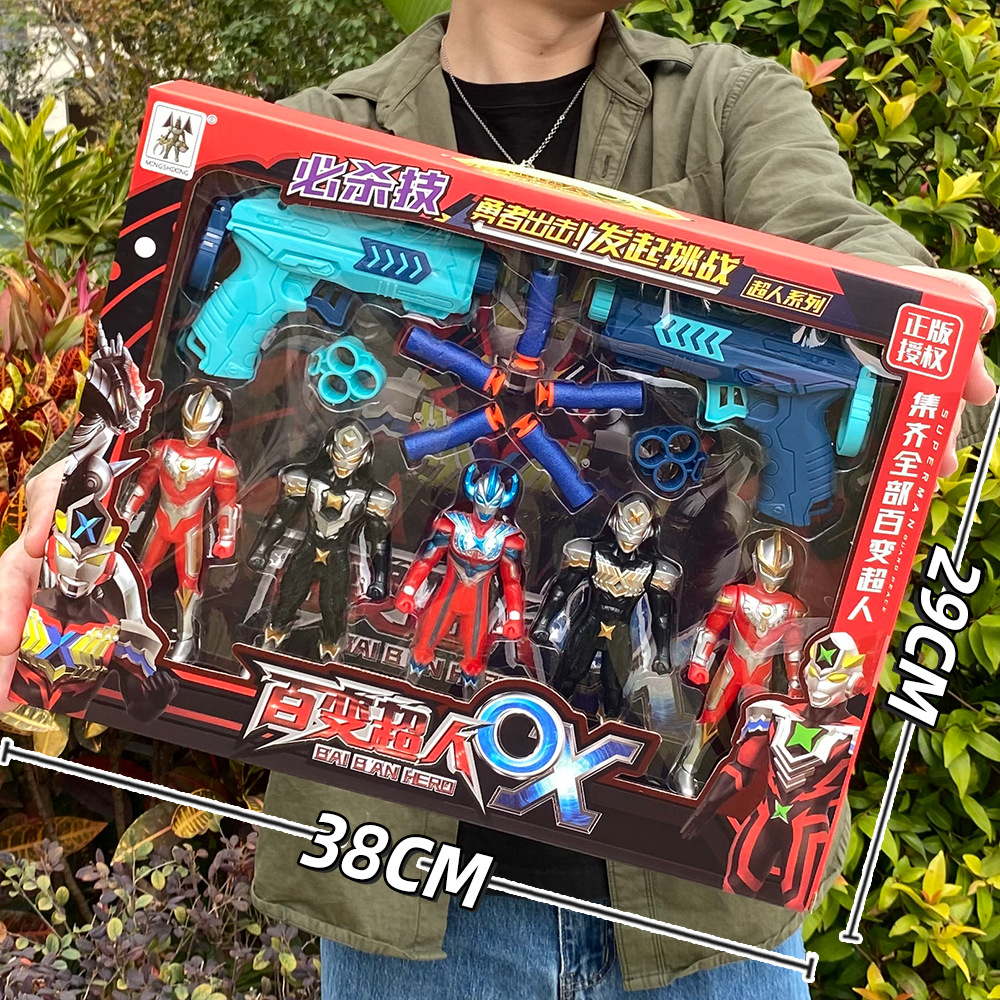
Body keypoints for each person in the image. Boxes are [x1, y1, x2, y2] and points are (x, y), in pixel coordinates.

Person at [0, 3, 995, 998]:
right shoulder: (313, 134)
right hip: (401, 880)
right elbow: (152, 367)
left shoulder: (726, 106)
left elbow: (836, 238)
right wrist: (80, 489)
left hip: (694, 910)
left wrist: (922, 310)